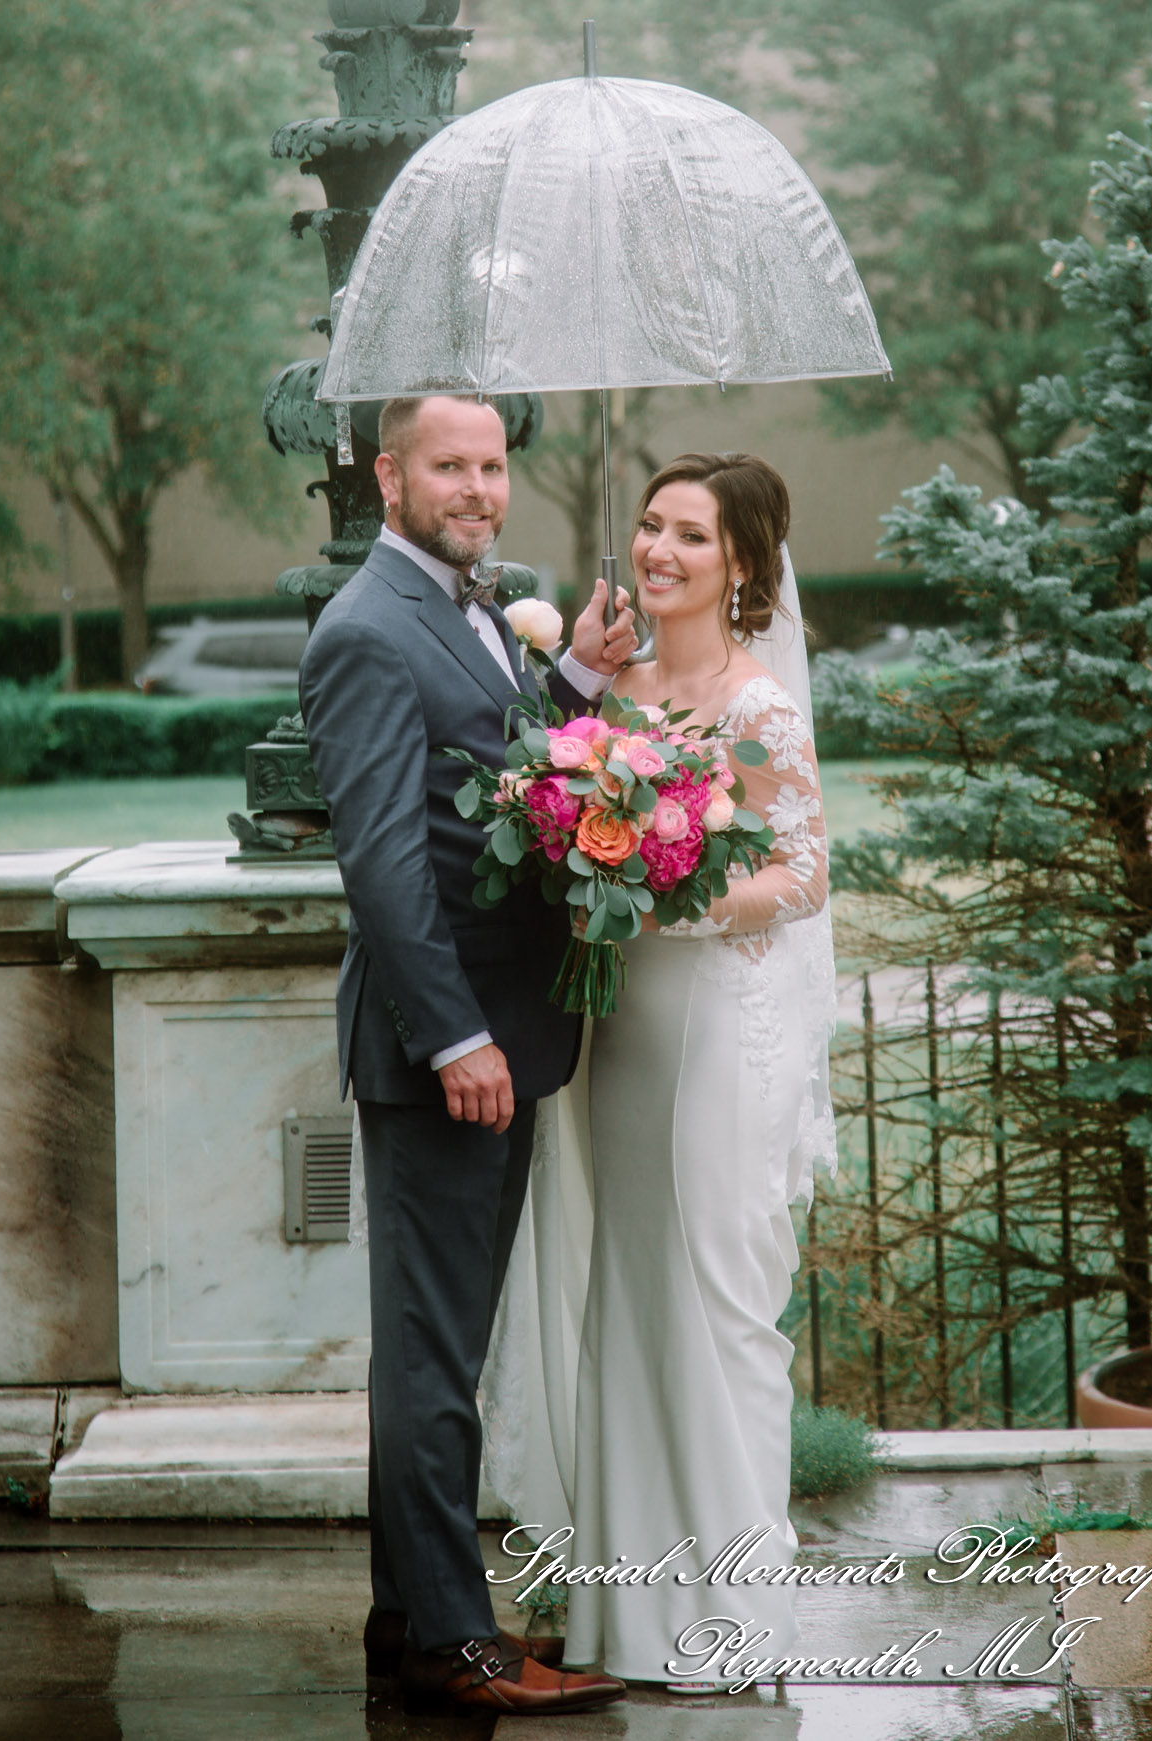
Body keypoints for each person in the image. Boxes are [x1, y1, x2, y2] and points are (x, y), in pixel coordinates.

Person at [300, 393, 635, 1718]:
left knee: (439, 1349)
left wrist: (579, 683)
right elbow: (384, 861)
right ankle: (451, 1639)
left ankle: (405, 1621)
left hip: (494, 1037)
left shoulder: (467, 607)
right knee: (435, 1357)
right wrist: (455, 1035)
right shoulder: (370, 628)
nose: (479, 486)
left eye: (493, 464)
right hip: (446, 1047)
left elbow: (485, 776)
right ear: (388, 475)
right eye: (451, 464)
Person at [484, 451, 835, 1686]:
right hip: (619, 1027)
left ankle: (736, 1614)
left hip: (712, 1027)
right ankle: (626, 1617)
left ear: (741, 562)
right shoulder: (612, 685)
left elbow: (803, 875)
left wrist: (670, 905)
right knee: (624, 1291)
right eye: (649, 527)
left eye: (690, 534)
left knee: (714, 1299)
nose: (660, 551)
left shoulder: (756, 707)